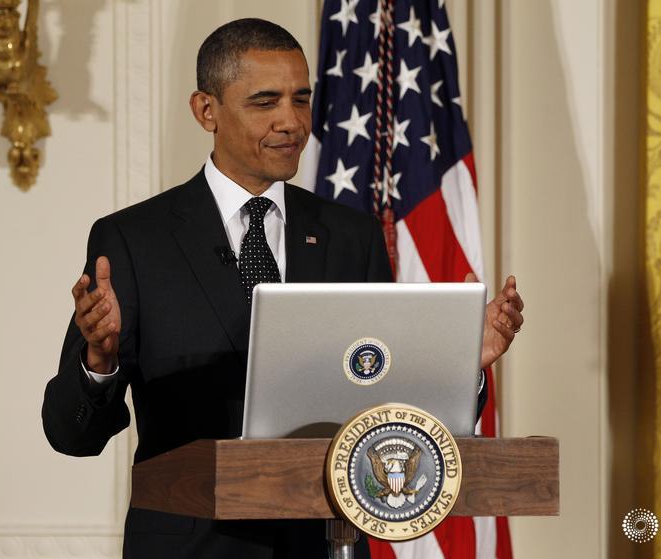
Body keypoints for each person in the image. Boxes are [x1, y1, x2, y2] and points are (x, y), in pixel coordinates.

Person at [42, 18, 524, 559]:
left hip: (326, 544)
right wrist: (98, 361)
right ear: (206, 110)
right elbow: (70, 435)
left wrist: (461, 364)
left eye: (301, 99)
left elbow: (389, 407)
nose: (291, 122)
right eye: (265, 102)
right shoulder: (133, 240)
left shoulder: (351, 235)